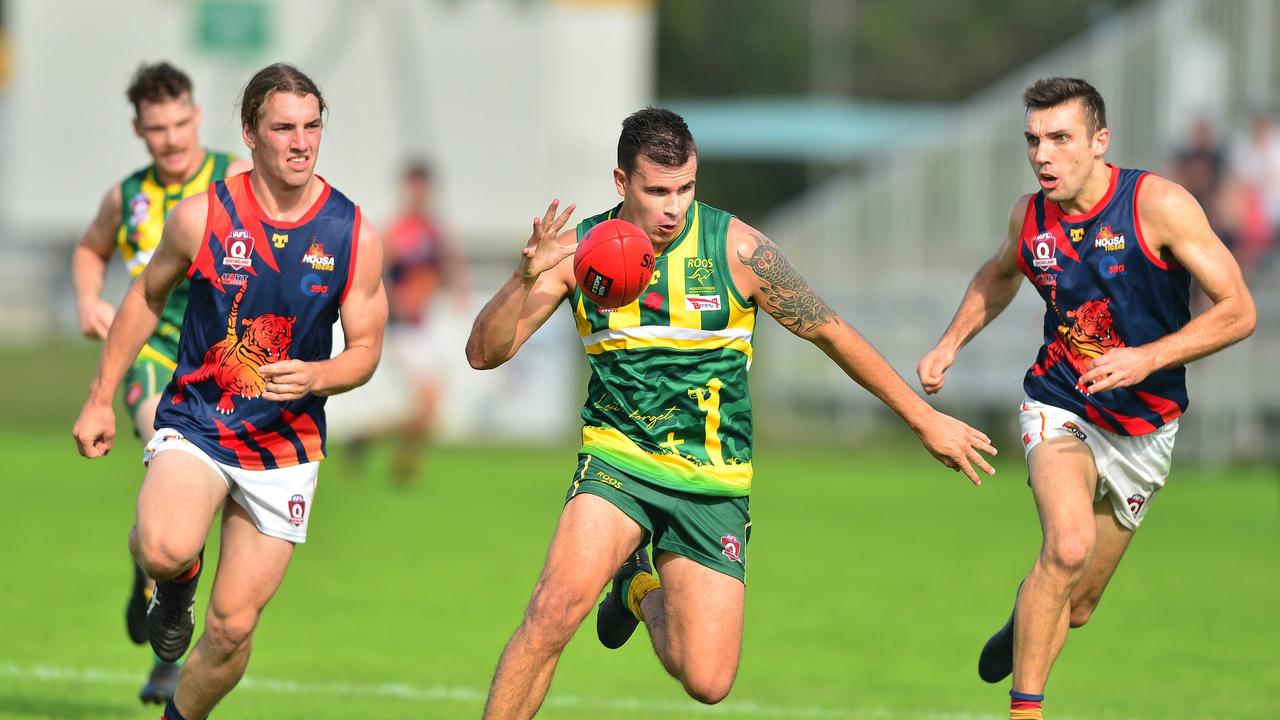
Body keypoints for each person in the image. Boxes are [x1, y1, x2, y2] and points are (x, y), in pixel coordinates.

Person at [466, 106, 997, 718]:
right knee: (551, 613)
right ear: (621, 183)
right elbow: (483, 353)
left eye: (685, 189)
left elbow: (832, 333)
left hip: (712, 478)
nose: (673, 207)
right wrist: (520, 276)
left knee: (708, 680)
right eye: (657, 191)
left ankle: (637, 586)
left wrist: (922, 419)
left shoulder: (739, 249)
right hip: (619, 463)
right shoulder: (577, 253)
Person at [917, 78, 1256, 720]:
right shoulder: (1030, 215)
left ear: (1100, 142)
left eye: (1060, 139)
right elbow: (999, 272)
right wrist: (948, 344)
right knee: (1067, 546)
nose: (1043, 155)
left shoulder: (1158, 205)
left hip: (1145, 426)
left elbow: (1239, 310)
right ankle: (1027, 711)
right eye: (1033, 140)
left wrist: (1147, 358)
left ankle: (1023, 619)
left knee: (1076, 606)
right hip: (1060, 401)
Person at [72, 62, 387, 720]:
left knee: (232, 630)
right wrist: (102, 396)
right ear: (250, 133)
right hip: (199, 422)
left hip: (286, 447)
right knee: (163, 547)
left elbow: (366, 351)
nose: (301, 142)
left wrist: (320, 375)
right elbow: (145, 296)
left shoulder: (352, 233)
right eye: (283, 128)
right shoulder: (201, 217)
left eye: (311, 126)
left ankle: (178, 716)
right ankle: (175, 585)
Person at [70, 60, 250, 705]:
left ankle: (147, 562)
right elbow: (92, 247)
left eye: (180, 124)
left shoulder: (234, 177)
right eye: (157, 129)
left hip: (223, 360)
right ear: (138, 130)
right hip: (154, 357)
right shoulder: (129, 197)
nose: (172, 140)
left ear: (197, 116)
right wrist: (90, 297)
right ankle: (170, 655)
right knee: (173, 453)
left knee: (200, 512)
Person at [356, 161, 467, 484]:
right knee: (428, 404)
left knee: (429, 410)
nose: (419, 194)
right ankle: (401, 465)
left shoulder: (435, 230)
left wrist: (458, 289)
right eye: (414, 187)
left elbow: (449, 264)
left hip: (426, 325)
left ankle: (371, 442)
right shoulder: (396, 230)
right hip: (402, 329)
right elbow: (375, 272)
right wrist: (395, 299)